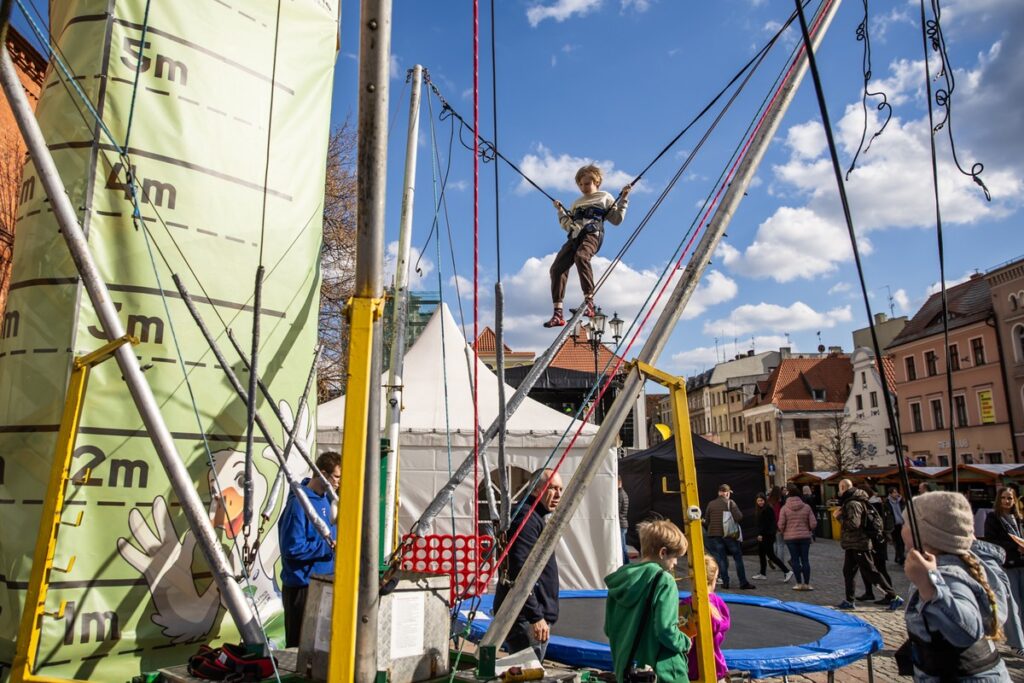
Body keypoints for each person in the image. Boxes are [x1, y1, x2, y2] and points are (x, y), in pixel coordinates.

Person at [901, 491, 1013, 681]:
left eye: (906, 524)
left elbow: (967, 632)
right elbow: (1000, 582)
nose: (901, 528)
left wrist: (930, 585)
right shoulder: (971, 561)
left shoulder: (948, 575)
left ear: (924, 533)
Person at [543, 164, 631, 327]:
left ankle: (589, 302)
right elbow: (567, 225)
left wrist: (624, 197)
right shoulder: (576, 203)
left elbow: (616, 219)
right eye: (581, 184)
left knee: (581, 257)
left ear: (596, 182)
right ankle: (558, 313)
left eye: (587, 183)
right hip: (574, 238)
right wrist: (560, 211)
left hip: (592, 235)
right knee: (556, 269)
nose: (583, 187)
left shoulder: (605, 197)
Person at [604, 519, 691, 681]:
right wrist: (685, 642)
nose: (676, 563)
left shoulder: (620, 580)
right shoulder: (664, 580)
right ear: (663, 553)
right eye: (675, 557)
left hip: (628, 669)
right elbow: (666, 631)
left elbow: (609, 629)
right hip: (661, 671)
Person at [494, 468, 564, 661]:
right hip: (525, 616)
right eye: (552, 488)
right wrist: (535, 616)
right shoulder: (526, 519)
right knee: (528, 670)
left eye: (560, 489)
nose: (558, 495)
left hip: (529, 613)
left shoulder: (533, 517)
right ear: (536, 490)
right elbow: (519, 569)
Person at [279, 451, 340, 647]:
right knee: (300, 647)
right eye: (337, 477)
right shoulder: (299, 504)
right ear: (323, 474)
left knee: (319, 646)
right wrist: (327, 547)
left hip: (324, 583)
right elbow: (292, 548)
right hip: (302, 587)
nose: (340, 482)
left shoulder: (328, 501)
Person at [834, 478, 903, 611]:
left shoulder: (853, 503)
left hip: (859, 542)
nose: (838, 492)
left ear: (843, 487)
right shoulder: (852, 501)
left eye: (839, 488)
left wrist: (838, 517)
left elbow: (854, 524)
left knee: (871, 572)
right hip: (852, 543)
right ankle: (849, 600)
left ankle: (893, 597)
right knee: (848, 572)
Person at [983, 486, 1024, 656]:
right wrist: (1015, 546)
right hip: (1007, 566)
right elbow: (991, 543)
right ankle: (1017, 644)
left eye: (1010, 498)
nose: (1007, 501)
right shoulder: (993, 518)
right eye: (1004, 498)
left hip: (1023, 563)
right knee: (1013, 605)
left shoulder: (1019, 518)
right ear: (999, 499)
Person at [681, 554, 731, 682]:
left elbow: (683, 639)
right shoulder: (718, 603)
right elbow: (724, 625)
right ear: (714, 579)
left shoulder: (686, 604)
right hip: (716, 666)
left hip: (691, 667)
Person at [704, 484, 755, 590]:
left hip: (715, 535)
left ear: (719, 493)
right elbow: (739, 517)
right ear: (726, 493)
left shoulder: (711, 504)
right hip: (729, 534)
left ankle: (725, 582)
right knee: (737, 558)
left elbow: (707, 520)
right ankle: (743, 582)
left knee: (721, 559)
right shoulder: (730, 503)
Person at [777, 482, 817, 591]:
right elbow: (813, 523)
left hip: (790, 538)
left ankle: (798, 583)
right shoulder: (807, 507)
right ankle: (807, 584)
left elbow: (781, 524)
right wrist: (808, 529)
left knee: (795, 560)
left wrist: (784, 531)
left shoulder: (784, 508)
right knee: (805, 560)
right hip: (805, 537)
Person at [859, 486, 896, 601]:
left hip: (874, 540)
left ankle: (889, 594)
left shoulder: (871, 506)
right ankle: (871, 592)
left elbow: (868, 524)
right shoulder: (882, 504)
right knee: (871, 567)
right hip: (881, 538)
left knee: (876, 568)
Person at [751, 493, 792, 582]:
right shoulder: (760, 509)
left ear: (764, 500)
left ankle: (787, 571)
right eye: (758, 501)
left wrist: (761, 534)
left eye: (761, 500)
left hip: (767, 536)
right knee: (761, 554)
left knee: (771, 555)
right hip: (764, 535)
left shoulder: (767, 509)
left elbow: (767, 524)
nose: (760, 502)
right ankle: (762, 573)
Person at [888, 487, 907, 564]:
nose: (896, 494)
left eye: (896, 492)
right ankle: (901, 557)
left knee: (902, 541)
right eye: (894, 492)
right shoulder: (887, 502)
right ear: (890, 494)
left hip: (902, 523)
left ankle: (898, 556)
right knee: (897, 541)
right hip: (894, 524)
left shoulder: (901, 501)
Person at [619, 476, 630, 565]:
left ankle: (626, 564)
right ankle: (626, 563)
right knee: (623, 546)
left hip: (621, 524)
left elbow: (617, 510)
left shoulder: (620, 494)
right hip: (623, 523)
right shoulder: (623, 493)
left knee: (622, 547)